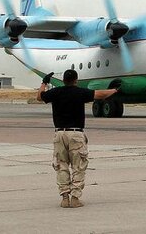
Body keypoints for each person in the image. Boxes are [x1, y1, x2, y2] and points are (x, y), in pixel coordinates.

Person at [37, 69, 118, 208]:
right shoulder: (80, 92)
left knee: (61, 166)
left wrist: (44, 82)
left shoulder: (55, 93)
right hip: (76, 133)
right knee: (78, 166)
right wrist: (115, 90)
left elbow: (39, 97)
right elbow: (100, 94)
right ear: (76, 80)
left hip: (59, 133)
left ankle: (64, 197)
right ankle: (75, 198)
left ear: (63, 80)